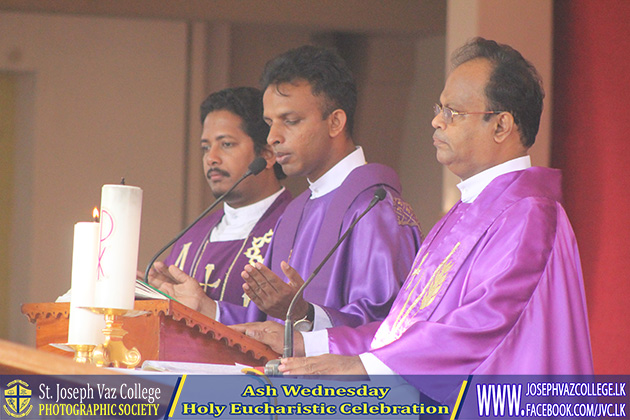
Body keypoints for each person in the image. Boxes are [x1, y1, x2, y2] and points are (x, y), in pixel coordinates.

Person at [234, 38, 594, 395]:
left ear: (501, 126)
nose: (437, 121)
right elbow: (403, 327)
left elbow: (482, 325)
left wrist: (365, 366)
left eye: (453, 112)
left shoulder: (529, 213)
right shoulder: (462, 214)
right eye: (439, 107)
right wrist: (309, 344)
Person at [153, 45, 422, 328]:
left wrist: (305, 314)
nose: (273, 138)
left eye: (290, 121)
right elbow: (269, 325)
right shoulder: (294, 213)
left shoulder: (375, 208)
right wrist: (206, 308)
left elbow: (389, 327)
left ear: (335, 122)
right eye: (269, 123)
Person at [147, 87, 291, 311]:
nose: (211, 158)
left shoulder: (295, 227)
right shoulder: (193, 236)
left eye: (226, 144)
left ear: (267, 154)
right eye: (206, 147)